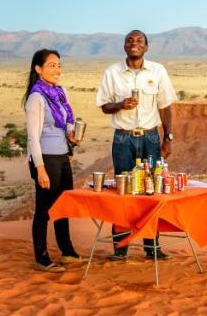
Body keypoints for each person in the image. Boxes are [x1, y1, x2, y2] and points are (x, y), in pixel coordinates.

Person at [94, 29, 178, 261]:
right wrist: (120, 104)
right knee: (124, 194)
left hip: (151, 138)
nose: (134, 43)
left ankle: (153, 248)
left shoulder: (158, 71)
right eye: (130, 40)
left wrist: (168, 138)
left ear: (146, 47)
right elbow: (103, 106)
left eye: (139, 41)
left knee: (152, 191)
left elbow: (165, 107)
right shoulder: (112, 72)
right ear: (124, 47)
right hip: (123, 139)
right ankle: (120, 249)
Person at [24, 49, 83, 272]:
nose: (57, 70)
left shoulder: (60, 92)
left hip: (62, 156)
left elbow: (67, 120)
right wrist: (40, 169)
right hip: (45, 159)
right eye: (51, 65)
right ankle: (41, 257)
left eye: (59, 65)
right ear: (38, 69)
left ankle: (66, 251)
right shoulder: (36, 98)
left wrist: (71, 133)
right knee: (44, 209)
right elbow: (32, 137)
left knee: (63, 205)